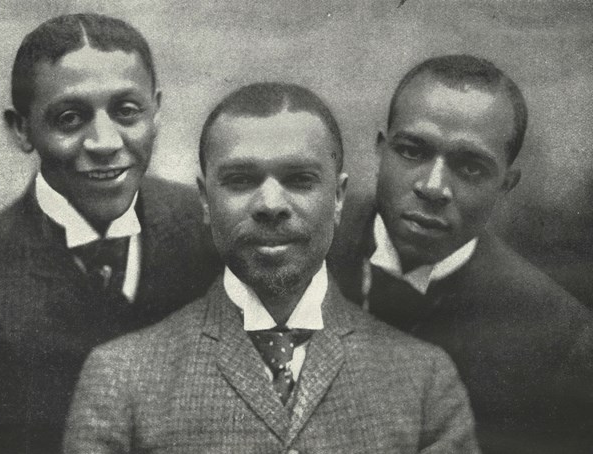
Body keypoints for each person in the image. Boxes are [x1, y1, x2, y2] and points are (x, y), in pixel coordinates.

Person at [63, 82, 478, 453]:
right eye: (241, 181)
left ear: (337, 197)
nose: (270, 206)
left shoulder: (424, 382)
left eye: (299, 179)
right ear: (205, 201)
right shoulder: (121, 380)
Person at [0, 13, 221, 454]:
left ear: (156, 110)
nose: (105, 142)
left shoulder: (211, 231)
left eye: (127, 111)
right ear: (22, 129)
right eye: (70, 117)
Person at [328, 54, 593, 454]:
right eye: (412, 151)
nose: (433, 187)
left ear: (506, 184)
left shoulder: (560, 338)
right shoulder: (302, 248)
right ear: (381, 150)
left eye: (469, 168)